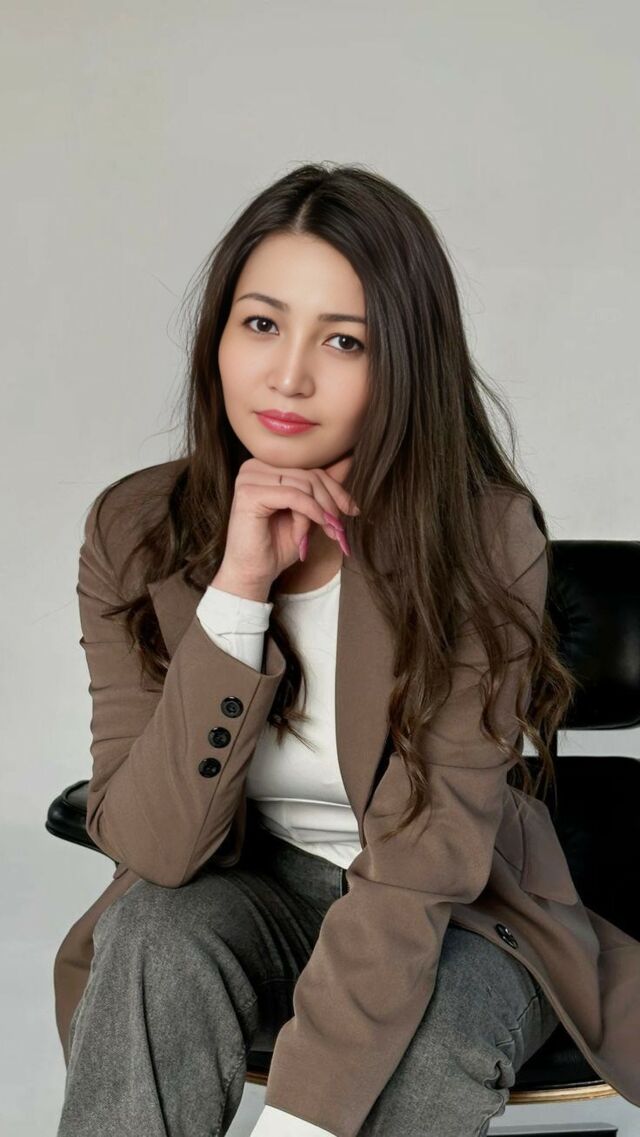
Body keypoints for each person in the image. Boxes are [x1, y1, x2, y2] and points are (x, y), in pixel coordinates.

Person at [55, 161, 614, 1137]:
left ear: (404, 363)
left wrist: (299, 1125)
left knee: (429, 1037)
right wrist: (238, 592)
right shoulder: (134, 530)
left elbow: (423, 860)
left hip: (451, 912)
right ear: (217, 336)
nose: (288, 376)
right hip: (247, 888)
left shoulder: (483, 538)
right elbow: (153, 849)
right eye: (261, 324)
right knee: (150, 933)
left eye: (344, 340)